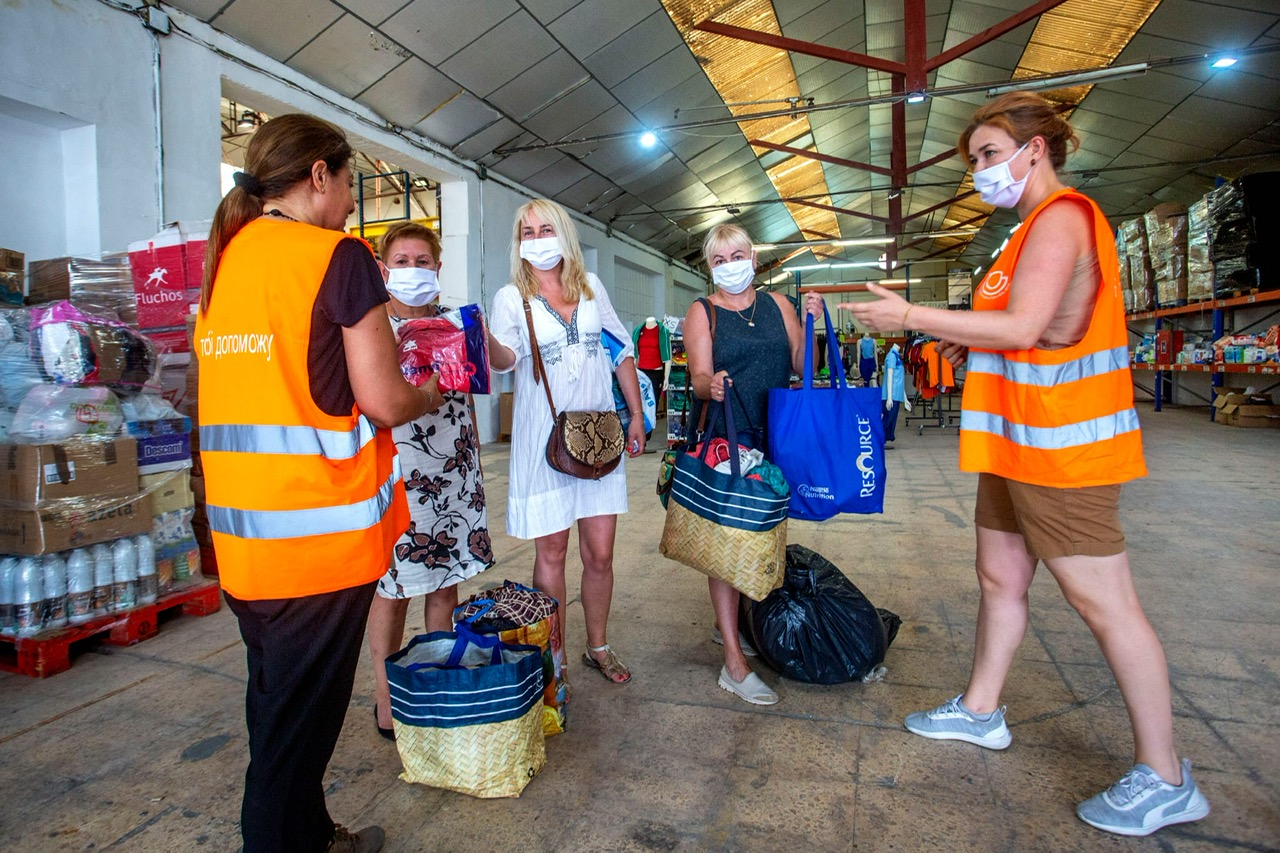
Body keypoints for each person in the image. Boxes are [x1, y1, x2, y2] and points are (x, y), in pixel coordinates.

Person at [843, 91, 1208, 837]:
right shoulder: (1019, 236)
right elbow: (1022, 335)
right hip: (1016, 444)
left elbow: (1026, 324)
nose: (979, 171)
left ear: (1034, 148)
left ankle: (1167, 774)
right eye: (974, 159)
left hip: (1064, 448)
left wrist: (912, 317)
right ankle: (982, 710)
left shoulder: (1065, 218)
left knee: (1106, 603)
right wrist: (965, 342)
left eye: (987, 154)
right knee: (999, 576)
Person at [198, 114, 435, 853]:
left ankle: (310, 833)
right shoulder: (335, 256)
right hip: (317, 543)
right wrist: (431, 390)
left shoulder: (227, 258)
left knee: (275, 708)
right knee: (288, 742)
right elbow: (384, 399)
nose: (350, 204)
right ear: (320, 177)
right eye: (348, 182)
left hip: (244, 544)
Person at [487, 199, 646, 684]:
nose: (537, 239)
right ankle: (551, 660)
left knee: (600, 554)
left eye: (546, 228)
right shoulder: (511, 297)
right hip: (545, 443)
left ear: (565, 233)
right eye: (527, 232)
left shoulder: (591, 286)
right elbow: (503, 360)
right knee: (551, 553)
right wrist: (479, 336)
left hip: (597, 437)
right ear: (518, 243)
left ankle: (596, 646)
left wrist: (637, 414)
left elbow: (621, 352)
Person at [365, 221, 497, 741]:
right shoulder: (370, 329)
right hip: (398, 476)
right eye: (402, 262)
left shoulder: (457, 322)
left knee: (445, 586)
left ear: (439, 270)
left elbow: (499, 367)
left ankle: (436, 682)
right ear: (383, 270)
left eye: (423, 262)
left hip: (455, 474)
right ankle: (385, 694)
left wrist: (482, 337)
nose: (413, 271)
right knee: (392, 588)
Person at [683, 223, 822, 705]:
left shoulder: (780, 305)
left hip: (777, 435)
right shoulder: (702, 312)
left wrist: (810, 324)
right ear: (710, 268)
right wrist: (712, 384)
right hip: (728, 438)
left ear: (755, 259)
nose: (730, 266)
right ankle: (734, 666)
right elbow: (698, 377)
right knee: (728, 544)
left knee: (762, 538)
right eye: (719, 260)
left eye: (736, 255)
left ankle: (737, 628)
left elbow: (805, 366)